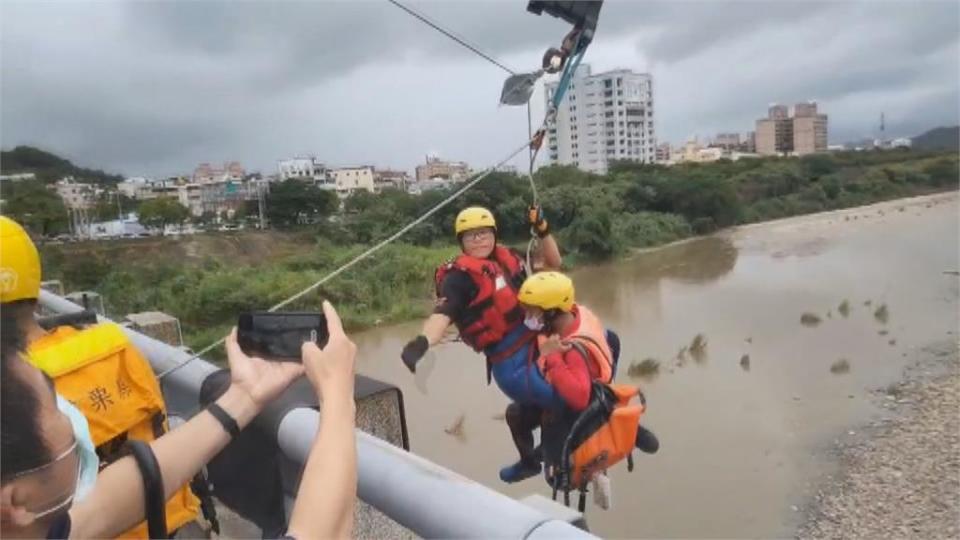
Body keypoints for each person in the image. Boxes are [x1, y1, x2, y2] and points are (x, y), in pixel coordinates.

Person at [0, 300, 359, 540]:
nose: (72, 415)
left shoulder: (26, 525)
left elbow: (104, 506)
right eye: (54, 403)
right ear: (16, 503)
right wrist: (338, 396)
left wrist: (244, 398)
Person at [400, 206, 567, 410]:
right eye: (471, 236)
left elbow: (554, 261)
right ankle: (525, 415)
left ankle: (525, 415)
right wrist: (422, 342)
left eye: (484, 233)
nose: (479, 239)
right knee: (567, 402)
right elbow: (442, 315)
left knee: (605, 342)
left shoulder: (510, 256)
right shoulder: (458, 279)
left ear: (494, 235)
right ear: (461, 242)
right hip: (511, 362)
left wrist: (543, 229)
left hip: (537, 341)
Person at [499, 271, 615, 483]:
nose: (528, 317)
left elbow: (579, 397)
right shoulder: (575, 312)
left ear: (551, 312)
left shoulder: (570, 348)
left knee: (516, 414)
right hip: (597, 384)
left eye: (532, 312)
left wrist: (552, 356)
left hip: (580, 400)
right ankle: (529, 463)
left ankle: (541, 459)